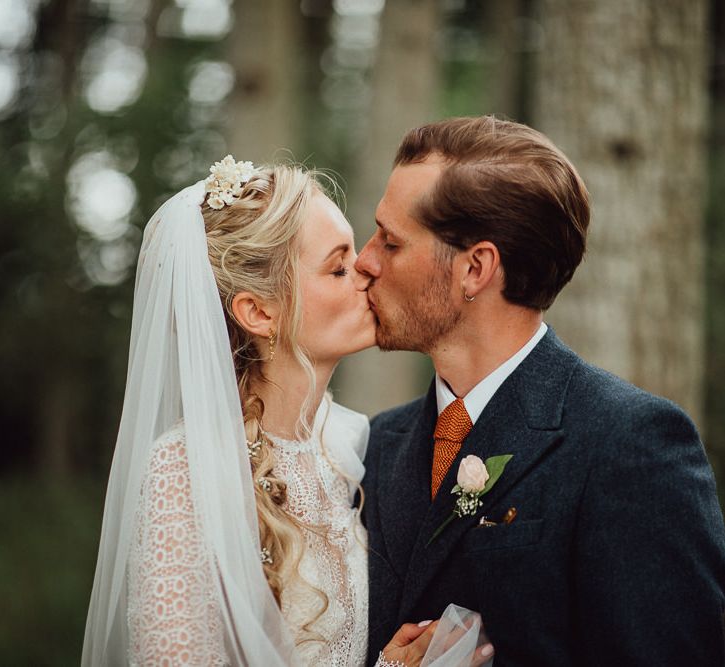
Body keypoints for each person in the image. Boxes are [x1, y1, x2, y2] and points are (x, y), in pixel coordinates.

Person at [81, 157, 482, 666]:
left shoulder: (358, 444)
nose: (367, 270)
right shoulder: (185, 470)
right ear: (259, 312)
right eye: (338, 267)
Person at [357, 116, 725, 666]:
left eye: (390, 241)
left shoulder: (628, 443)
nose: (365, 260)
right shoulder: (376, 443)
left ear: (475, 268)